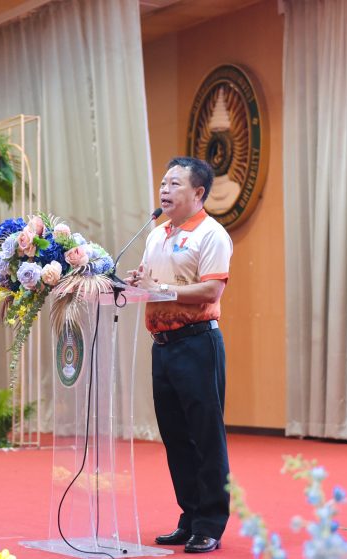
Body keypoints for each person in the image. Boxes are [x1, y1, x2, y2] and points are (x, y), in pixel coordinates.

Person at [126, 156, 233, 554]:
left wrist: (162, 289)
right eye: (163, 184)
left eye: (174, 184)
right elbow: (150, 282)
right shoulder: (157, 235)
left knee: (205, 438)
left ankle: (210, 524)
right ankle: (189, 518)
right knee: (176, 438)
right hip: (163, 346)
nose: (164, 190)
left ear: (198, 192)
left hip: (198, 344)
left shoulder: (211, 234)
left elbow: (211, 291)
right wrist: (138, 282)